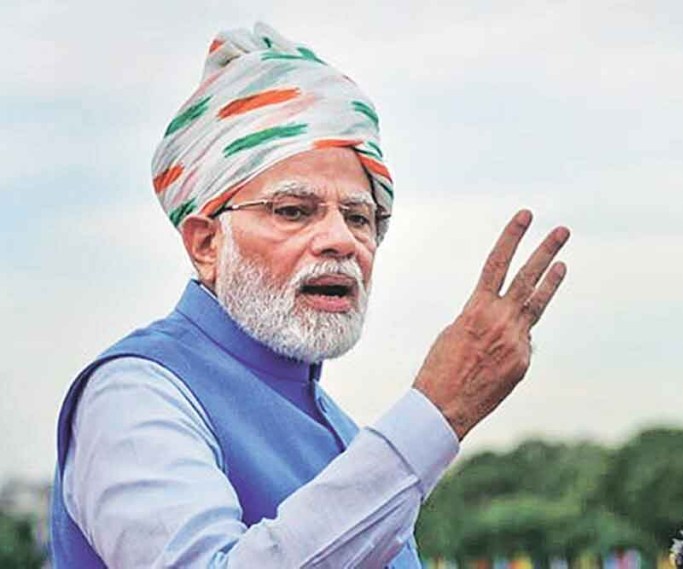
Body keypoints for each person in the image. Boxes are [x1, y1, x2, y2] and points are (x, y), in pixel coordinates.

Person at [49, 22, 569, 568]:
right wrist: (437, 412)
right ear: (205, 243)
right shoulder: (134, 394)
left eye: (359, 217)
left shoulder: (341, 431)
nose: (341, 240)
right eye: (294, 211)